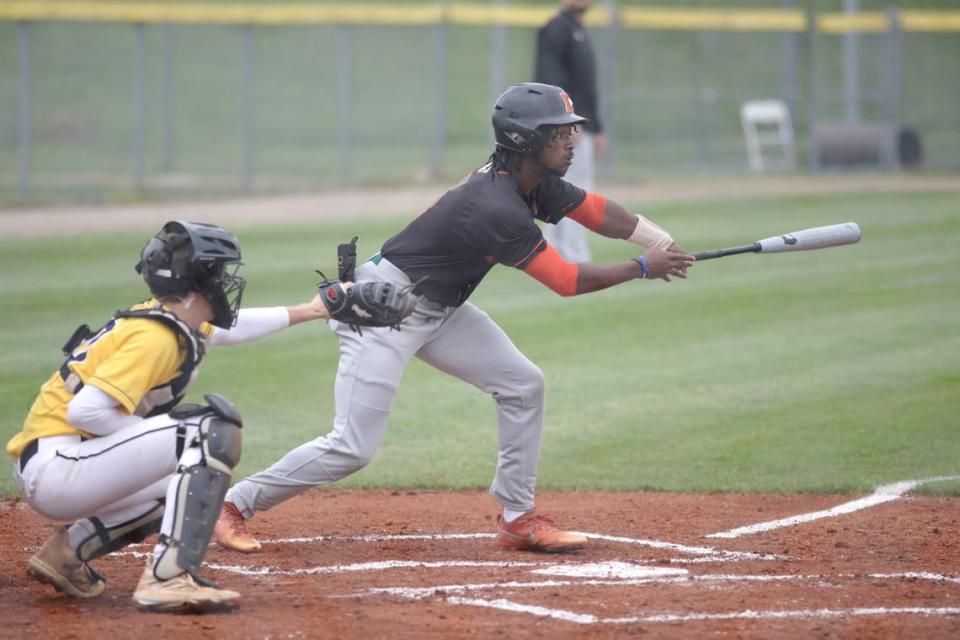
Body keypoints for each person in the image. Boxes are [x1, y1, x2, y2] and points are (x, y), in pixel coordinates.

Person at [214, 83, 694, 555]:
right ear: (526, 140)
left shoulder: (530, 182)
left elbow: (597, 212)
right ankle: (230, 505)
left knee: (523, 385)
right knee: (352, 447)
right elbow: (566, 280)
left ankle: (516, 518)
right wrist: (642, 267)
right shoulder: (495, 205)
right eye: (558, 133)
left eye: (570, 131)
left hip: (440, 309)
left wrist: (660, 240)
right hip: (382, 310)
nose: (570, 141)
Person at [7, 220, 334, 611]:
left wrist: (313, 310)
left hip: (65, 463)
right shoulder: (156, 338)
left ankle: (65, 554)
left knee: (184, 480)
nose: (225, 281)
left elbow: (228, 330)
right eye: (217, 272)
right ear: (195, 280)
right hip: (61, 469)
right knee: (207, 433)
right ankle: (168, 580)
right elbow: (85, 409)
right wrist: (158, 436)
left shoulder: (166, 319)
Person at [534, 0, 607, 264]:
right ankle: (573, 254)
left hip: (581, 124)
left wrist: (598, 128)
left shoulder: (579, 30)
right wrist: (563, 122)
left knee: (567, 187)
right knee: (574, 189)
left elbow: (588, 86)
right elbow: (549, 80)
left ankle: (557, 250)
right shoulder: (557, 29)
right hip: (567, 126)